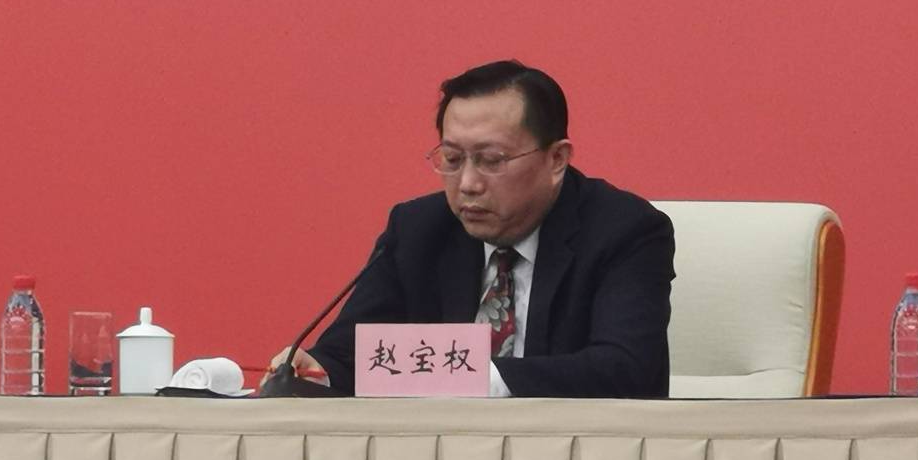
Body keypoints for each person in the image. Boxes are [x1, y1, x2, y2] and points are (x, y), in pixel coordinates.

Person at [267, 59, 675, 397]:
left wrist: (473, 377)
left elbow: (626, 369)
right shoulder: (418, 229)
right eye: (452, 159)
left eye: (491, 160)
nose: (467, 184)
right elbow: (352, 354)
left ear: (556, 160)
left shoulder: (626, 231)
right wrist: (317, 371)